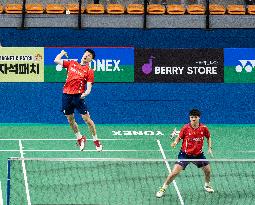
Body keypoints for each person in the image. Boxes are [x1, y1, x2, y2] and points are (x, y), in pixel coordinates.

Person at [156, 109, 214, 198]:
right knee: (174, 173)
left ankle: (207, 185)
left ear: (199, 117)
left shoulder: (204, 128)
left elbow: (208, 137)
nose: (193, 119)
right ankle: (163, 188)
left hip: (198, 155)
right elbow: (179, 137)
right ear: (189, 118)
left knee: (208, 171)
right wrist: (175, 142)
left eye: (195, 117)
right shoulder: (185, 128)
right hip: (185, 155)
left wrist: (210, 148)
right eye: (191, 117)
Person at [54, 49, 102, 152]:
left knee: (87, 120)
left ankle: (96, 140)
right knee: (70, 119)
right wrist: (62, 53)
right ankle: (80, 138)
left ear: (91, 59)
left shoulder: (89, 71)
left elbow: (89, 86)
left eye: (89, 56)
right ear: (83, 54)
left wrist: (86, 92)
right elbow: (56, 60)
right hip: (66, 95)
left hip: (78, 96)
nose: (86, 56)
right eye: (86, 54)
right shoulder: (72, 63)